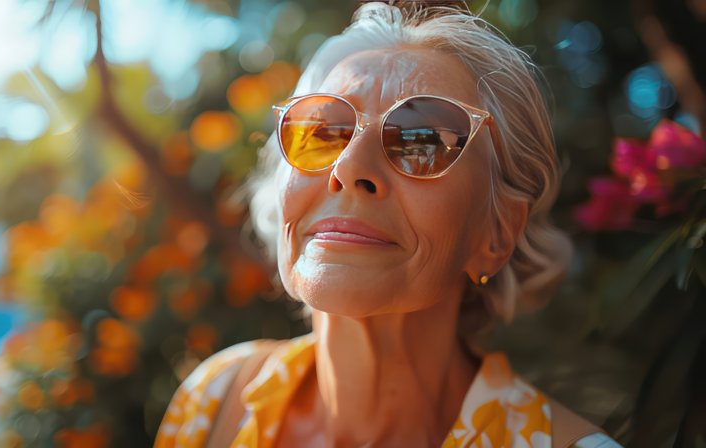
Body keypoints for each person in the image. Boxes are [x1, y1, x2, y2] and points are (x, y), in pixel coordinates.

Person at [155, 1, 623, 447]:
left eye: (422, 139)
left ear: (498, 232)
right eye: (321, 131)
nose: (349, 167)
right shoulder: (214, 399)